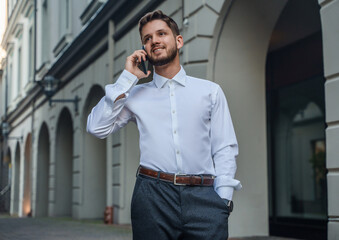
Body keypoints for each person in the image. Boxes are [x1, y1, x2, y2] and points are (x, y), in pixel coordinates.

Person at [87, 10, 241, 240]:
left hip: (204, 197)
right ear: (144, 49)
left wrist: (224, 199)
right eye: (147, 39)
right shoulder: (134, 94)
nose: (154, 41)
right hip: (152, 197)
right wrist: (127, 79)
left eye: (161, 33)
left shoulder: (210, 91)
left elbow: (224, 148)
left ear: (178, 40)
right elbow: (96, 128)